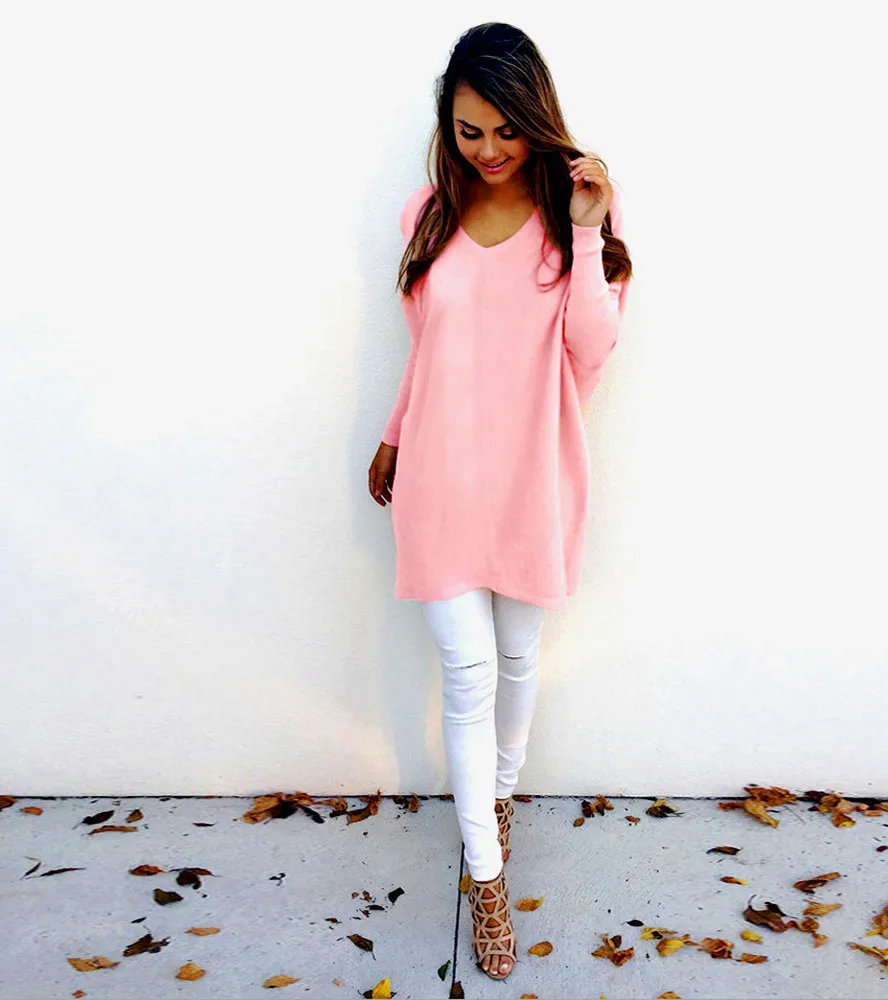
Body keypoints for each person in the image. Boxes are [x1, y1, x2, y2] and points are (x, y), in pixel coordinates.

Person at [367, 21, 633, 981]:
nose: (487, 149)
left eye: (505, 130)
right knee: (470, 672)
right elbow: (427, 347)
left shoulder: (572, 218)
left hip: (531, 478)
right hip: (439, 479)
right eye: (469, 130)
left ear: (535, 116)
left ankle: (501, 800)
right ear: (448, 126)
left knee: (518, 658)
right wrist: (394, 433)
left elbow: (592, 348)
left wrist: (590, 228)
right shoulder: (426, 214)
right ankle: (486, 879)